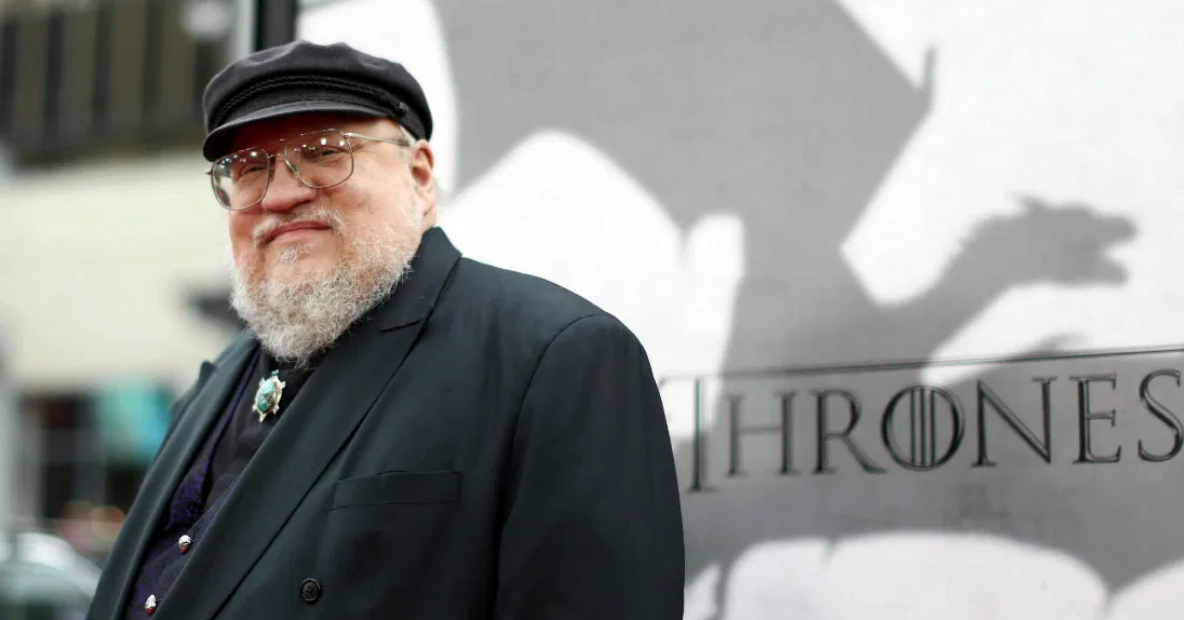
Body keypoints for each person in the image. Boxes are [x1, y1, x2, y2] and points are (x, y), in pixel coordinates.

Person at [85, 40, 685, 620]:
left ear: (419, 176)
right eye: (247, 168)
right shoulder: (213, 386)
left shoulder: (555, 357)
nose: (280, 195)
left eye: (324, 151)